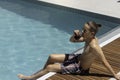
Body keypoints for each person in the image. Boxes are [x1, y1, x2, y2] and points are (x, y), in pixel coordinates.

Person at [18, 21, 120, 80]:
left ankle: (30, 78)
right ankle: (40, 74)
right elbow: (71, 41)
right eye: (83, 29)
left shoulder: (94, 46)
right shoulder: (87, 38)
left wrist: (115, 75)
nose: (82, 31)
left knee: (50, 67)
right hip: (77, 58)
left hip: (79, 68)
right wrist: (75, 35)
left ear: (92, 33)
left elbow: (104, 61)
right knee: (51, 56)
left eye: (85, 30)